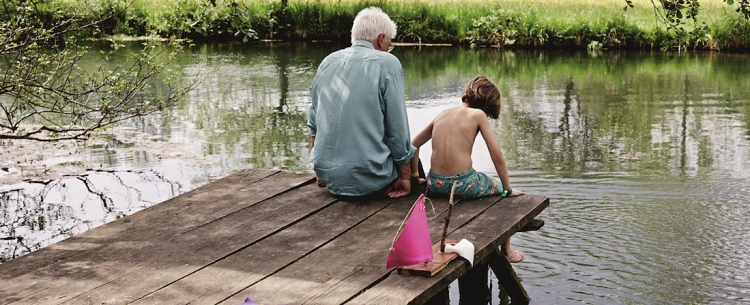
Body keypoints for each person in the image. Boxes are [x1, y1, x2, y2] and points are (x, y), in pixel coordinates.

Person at [409, 76, 526, 262]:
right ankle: (508, 252)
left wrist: (416, 177)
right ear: (486, 107)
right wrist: (507, 189)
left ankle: (507, 249)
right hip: (462, 183)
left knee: (496, 188)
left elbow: (413, 145)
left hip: (434, 184)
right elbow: (497, 155)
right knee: (503, 195)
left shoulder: (443, 113)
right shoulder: (477, 115)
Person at [307, 7, 415, 200]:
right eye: (389, 44)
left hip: (327, 175)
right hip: (371, 179)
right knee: (414, 161)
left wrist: (321, 170)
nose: (388, 48)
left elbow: (314, 121)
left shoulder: (328, 62)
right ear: (381, 39)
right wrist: (405, 177)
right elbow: (397, 130)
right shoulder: (387, 63)